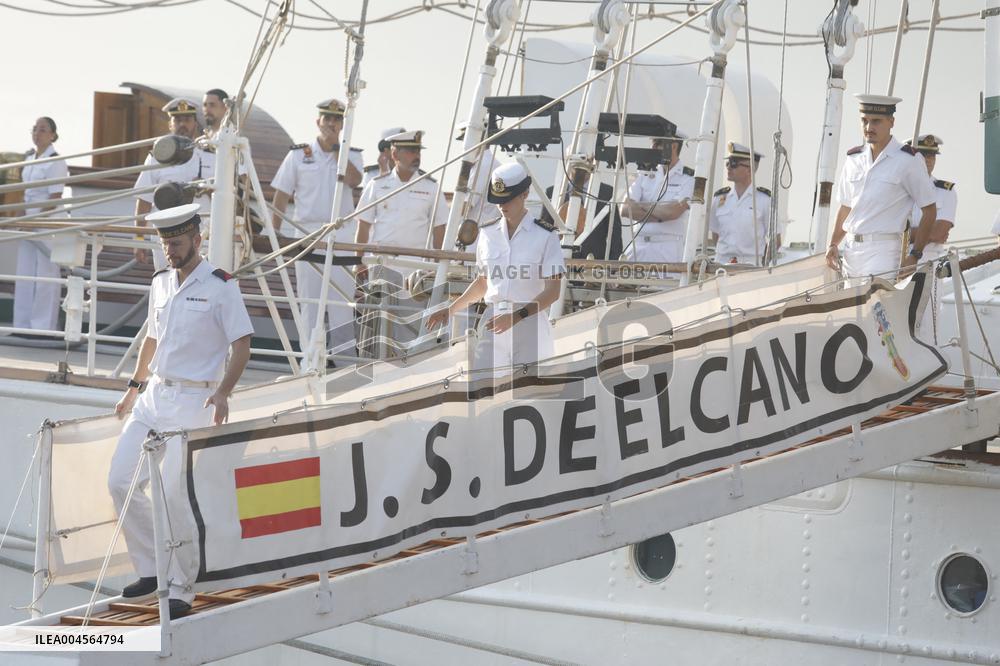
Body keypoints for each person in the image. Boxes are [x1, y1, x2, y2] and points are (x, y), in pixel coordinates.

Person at [108, 203, 253, 620]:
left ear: (196, 240)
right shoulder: (160, 283)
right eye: (165, 244)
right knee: (119, 481)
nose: (169, 251)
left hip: (195, 400)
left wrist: (225, 392)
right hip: (154, 396)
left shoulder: (221, 285)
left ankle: (181, 585)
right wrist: (134, 387)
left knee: (174, 494)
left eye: (175, 243)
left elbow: (242, 343)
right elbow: (151, 339)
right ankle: (152, 569)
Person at [426, 162, 565, 368]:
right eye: (498, 200)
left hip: (529, 321)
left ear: (524, 194)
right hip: (493, 319)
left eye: (507, 198)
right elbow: (483, 284)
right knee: (484, 391)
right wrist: (451, 309)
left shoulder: (546, 236)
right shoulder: (487, 234)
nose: (502, 205)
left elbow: (553, 292)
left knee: (527, 392)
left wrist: (517, 316)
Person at [271, 98, 364, 359]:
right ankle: (309, 360)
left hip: (341, 233)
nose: (331, 124)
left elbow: (355, 181)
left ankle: (345, 363)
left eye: (336, 119)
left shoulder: (351, 154)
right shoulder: (298, 155)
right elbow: (280, 194)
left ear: (342, 124)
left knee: (341, 304)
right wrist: (275, 233)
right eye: (327, 119)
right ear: (318, 122)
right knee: (310, 303)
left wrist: (337, 150)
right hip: (308, 234)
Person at [827, 94, 937, 279]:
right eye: (865, 121)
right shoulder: (853, 159)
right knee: (851, 308)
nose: (869, 127)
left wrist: (915, 255)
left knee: (876, 307)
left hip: (884, 251)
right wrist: (833, 244)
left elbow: (929, 209)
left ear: (891, 122)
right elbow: (846, 207)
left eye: (876, 121)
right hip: (851, 251)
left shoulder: (908, 160)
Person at [133, 98, 208, 268]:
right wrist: (139, 237)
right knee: (165, 282)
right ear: (170, 125)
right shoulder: (156, 157)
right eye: (177, 120)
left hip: (201, 232)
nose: (182, 124)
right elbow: (144, 198)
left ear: (195, 124)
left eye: (187, 120)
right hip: (166, 233)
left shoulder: (208, 154)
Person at [14, 117, 66, 331]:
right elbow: (24, 193)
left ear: (53, 134)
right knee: (24, 273)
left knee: (45, 275)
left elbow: (55, 197)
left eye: (43, 129)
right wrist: (20, 218)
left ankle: (42, 327)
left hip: (46, 224)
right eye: (35, 129)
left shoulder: (56, 161)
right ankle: (22, 325)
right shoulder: (28, 158)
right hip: (27, 222)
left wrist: (34, 221)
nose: (37, 133)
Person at [621, 131, 695, 263]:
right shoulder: (644, 173)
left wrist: (640, 206)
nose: (652, 148)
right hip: (637, 247)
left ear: (673, 146)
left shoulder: (689, 178)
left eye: (657, 144)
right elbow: (625, 209)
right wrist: (661, 214)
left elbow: (673, 212)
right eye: (653, 143)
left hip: (667, 250)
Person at [709, 142, 777, 264]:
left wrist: (763, 264)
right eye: (728, 163)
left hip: (750, 265)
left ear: (749, 169)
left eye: (734, 163)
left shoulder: (764, 201)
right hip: (721, 264)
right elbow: (715, 233)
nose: (729, 167)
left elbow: (775, 240)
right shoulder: (719, 199)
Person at [904, 134, 957, 262]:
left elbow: (938, 233)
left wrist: (903, 235)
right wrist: (927, 232)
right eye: (922, 156)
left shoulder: (945, 191)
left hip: (928, 261)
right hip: (894, 258)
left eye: (931, 156)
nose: (928, 160)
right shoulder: (897, 189)